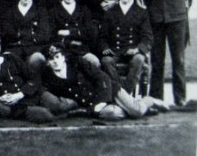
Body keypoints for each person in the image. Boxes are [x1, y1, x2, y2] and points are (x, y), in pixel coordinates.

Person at [40, 43, 169, 120]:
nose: (55, 61)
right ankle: (134, 108)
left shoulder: (77, 63)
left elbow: (103, 78)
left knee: (136, 111)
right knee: (112, 113)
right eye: (51, 59)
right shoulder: (50, 78)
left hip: (110, 90)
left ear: (63, 57)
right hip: (93, 105)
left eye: (57, 57)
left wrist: (102, 101)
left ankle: (149, 101)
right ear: (47, 62)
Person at [0, 33, 55, 123]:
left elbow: (34, 77)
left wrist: (20, 94)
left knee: (59, 106)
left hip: (30, 94)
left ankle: (71, 108)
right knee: (46, 115)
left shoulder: (11, 58)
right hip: (16, 106)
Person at [98, 0, 152, 93]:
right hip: (115, 51)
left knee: (138, 59)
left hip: (133, 51)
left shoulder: (141, 12)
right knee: (106, 61)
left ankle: (124, 94)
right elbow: (102, 37)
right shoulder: (110, 13)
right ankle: (120, 92)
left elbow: (147, 37)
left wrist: (138, 49)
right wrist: (105, 48)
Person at [1, 0, 51, 73]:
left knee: (38, 59)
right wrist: (29, 34)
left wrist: (21, 35)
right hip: (14, 48)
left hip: (34, 49)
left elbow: (45, 35)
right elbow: (7, 34)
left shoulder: (41, 12)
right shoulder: (10, 12)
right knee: (6, 60)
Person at [47, 0, 99, 65]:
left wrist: (69, 32)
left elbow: (91, 32)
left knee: (94, 62)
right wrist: (70, 41)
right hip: (61, 51)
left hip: (81, 50)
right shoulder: (53, 11)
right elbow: (51, 35)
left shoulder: (84, 10)